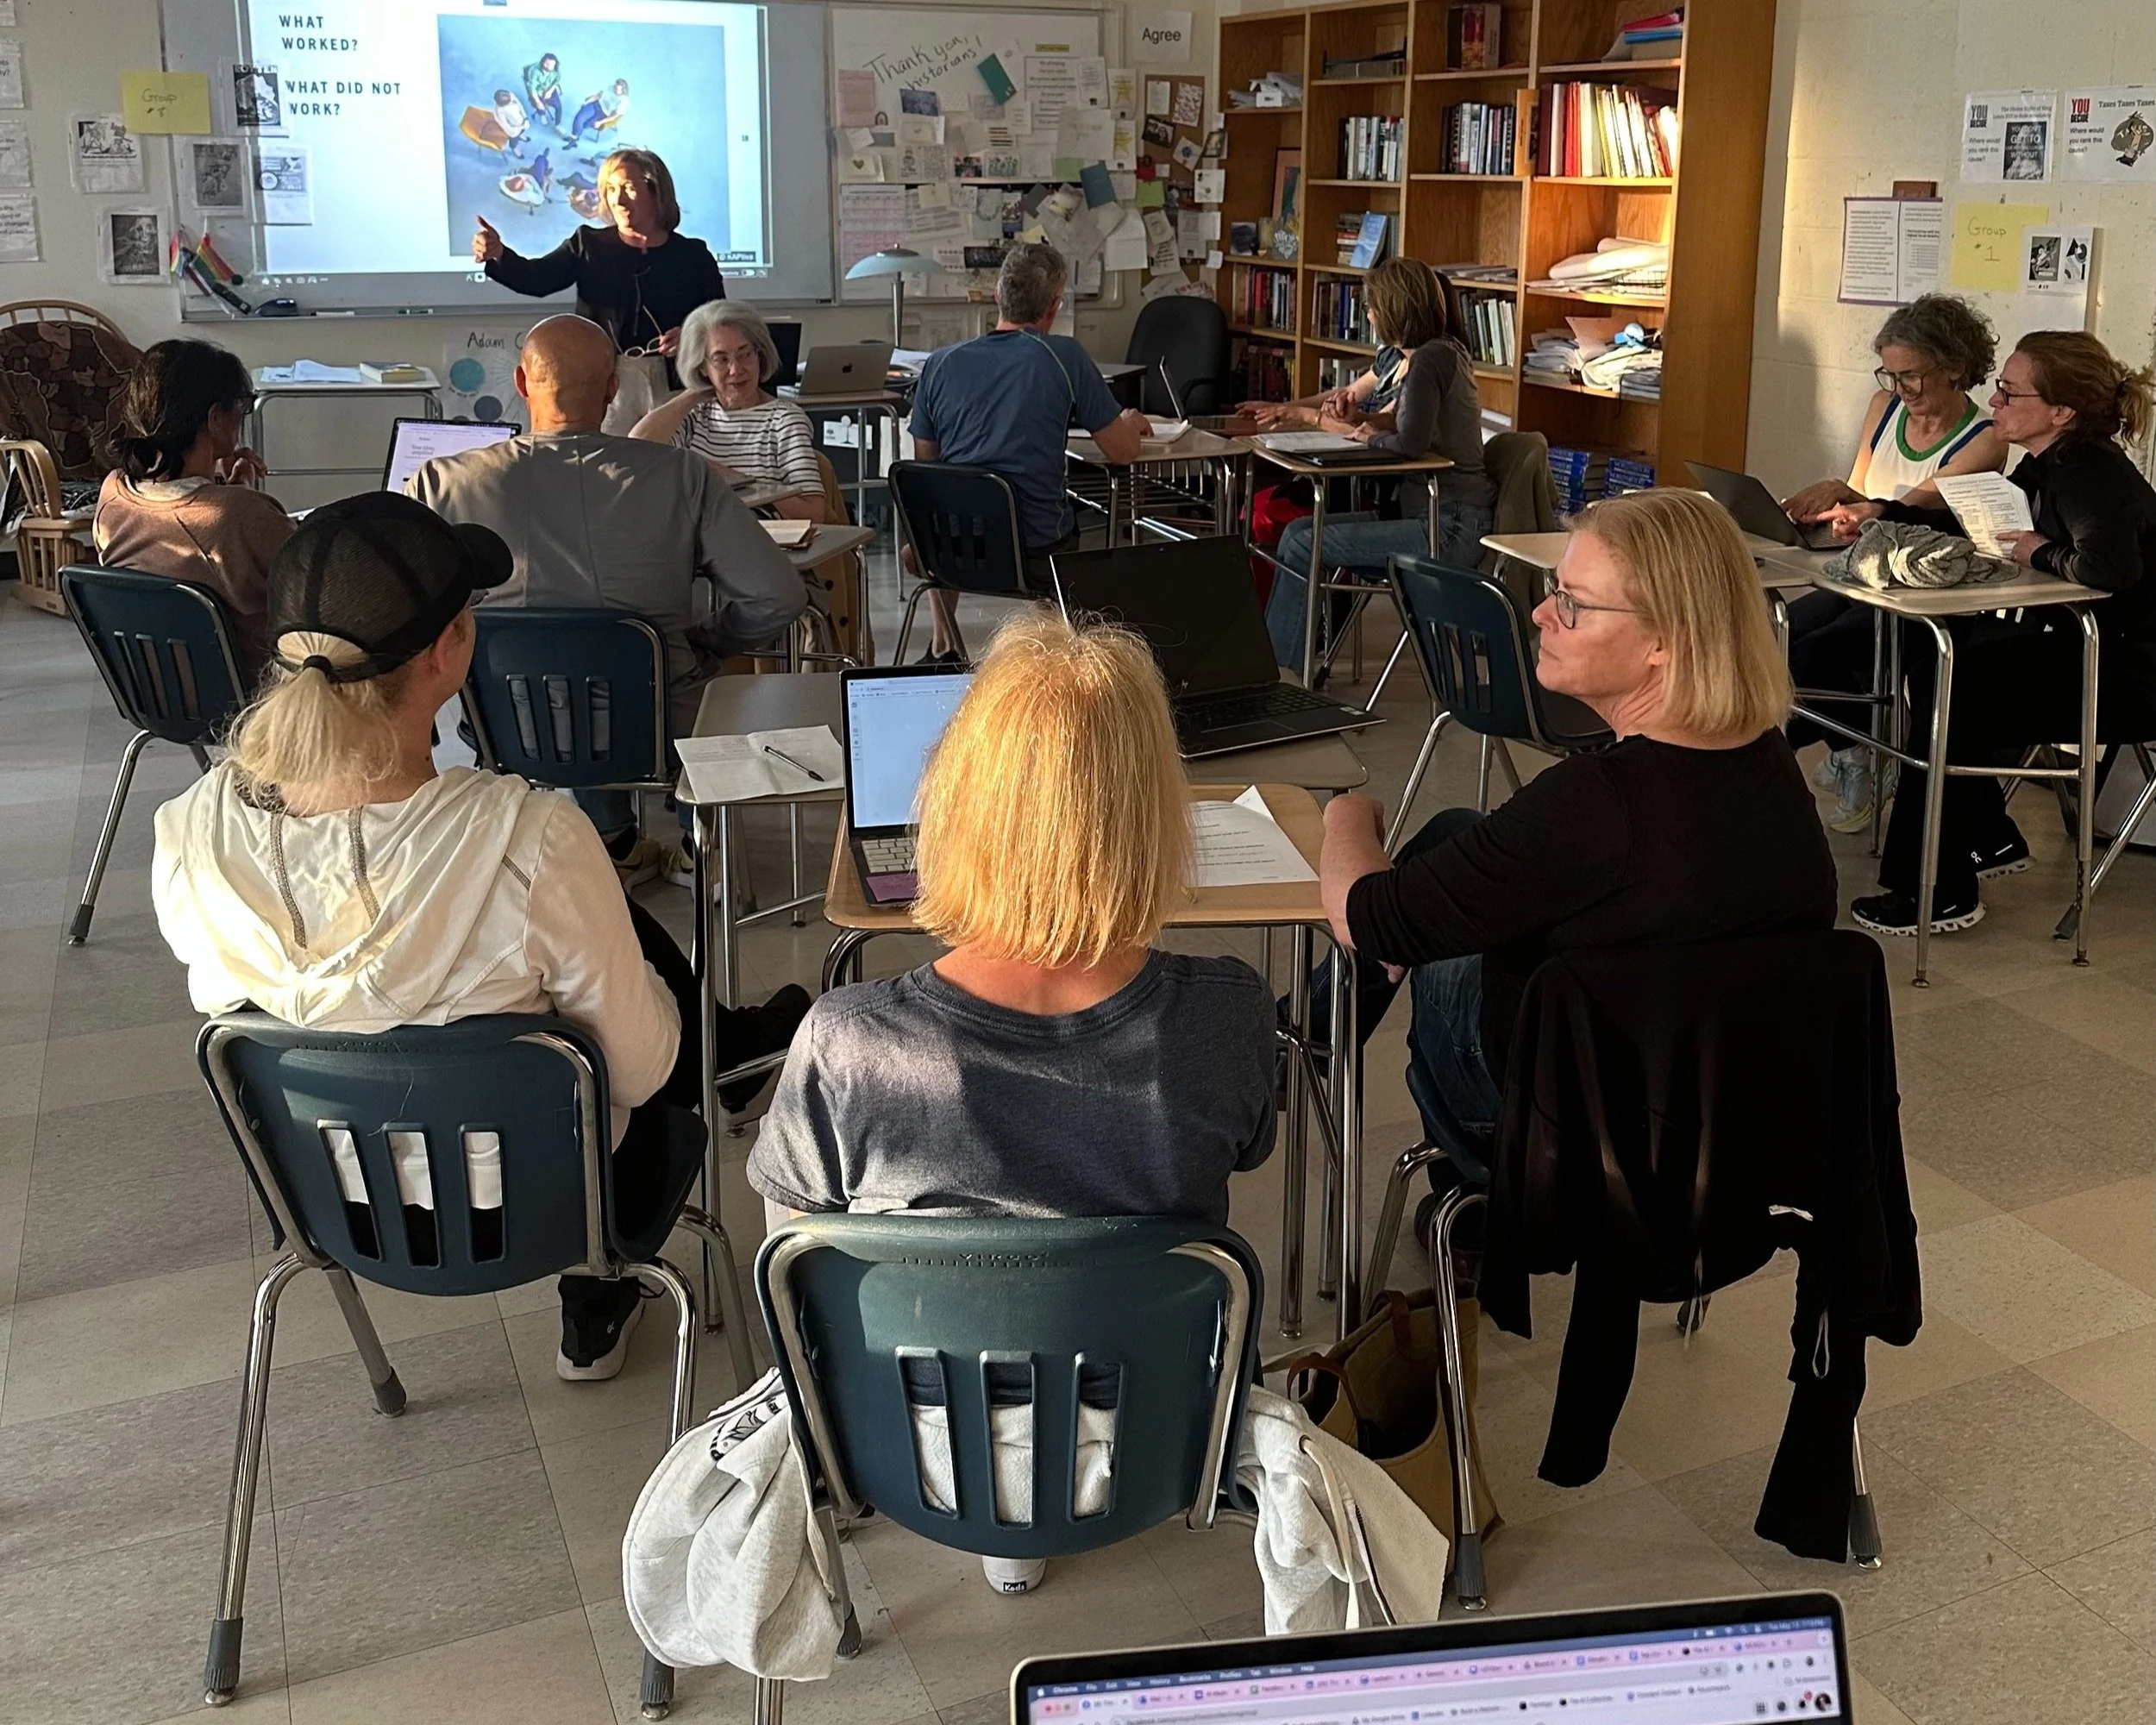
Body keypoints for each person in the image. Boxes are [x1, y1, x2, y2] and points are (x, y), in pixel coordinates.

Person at [150, 492, 809, 1381]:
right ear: (449, 651)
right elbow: (649, 1071)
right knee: (629, 1007)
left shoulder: (188, 830)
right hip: (543, 1201)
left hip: (329, 1199)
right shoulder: (527, 837)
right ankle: (599, 1285)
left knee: (615, 937)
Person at [749, 610, 1276, 1591]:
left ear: (956, 801)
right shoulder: (1227, 1011)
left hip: (908, 1436)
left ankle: (1008, 1537)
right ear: (1157, 809)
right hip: (1154, 1427)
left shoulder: (845, 1038)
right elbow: (1243, 1150)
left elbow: (795, 1266)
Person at [1316, 489, 1836, 1207]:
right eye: (1553, 590)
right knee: (1455, 831)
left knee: (1410, 926)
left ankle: (1460, 1188)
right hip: (1725, 1105)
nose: (1538, 614)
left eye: (1573, 603)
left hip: (1572, 1121)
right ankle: (1315, 1027)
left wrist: (1346, 813)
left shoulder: (1594, 806)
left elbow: (1365, 918)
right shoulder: (1767, 761)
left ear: (1666, 642)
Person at [406, 312, 805, 878]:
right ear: (615, 388)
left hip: (507, 724)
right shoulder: (682, 476)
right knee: (641, 680)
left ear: (520, 384)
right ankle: (694, 841)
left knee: (566, 679)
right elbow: (779, 597)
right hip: (657, 725)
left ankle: (614, 843)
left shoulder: (439, 483)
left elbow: (402, 617)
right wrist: (708, 642)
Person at [1823, 331, 2156, 935]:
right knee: (1938, 671)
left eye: (2008, 390)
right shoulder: (2050, 462)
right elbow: (1965, 522)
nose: (1994, 400)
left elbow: (2109, 569)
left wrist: (2040, 551)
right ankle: (1985, 842)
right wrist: (1884, 512)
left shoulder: (2089, 473)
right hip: (2091, 650)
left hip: (2134, 672)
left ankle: (1937, 891)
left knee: (1956, 688)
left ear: (2061, 411)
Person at [1780, 295, 2009, 831]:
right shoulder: (1883, 409)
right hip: (1866, 575)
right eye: (1892, 375)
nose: (1901, 390)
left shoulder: (1986, 440)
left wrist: (1854, 505)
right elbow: (1864, 495)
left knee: (1813, 655)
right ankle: (1853, 744)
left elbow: (1913, 505)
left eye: (1913, 376)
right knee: (1781, 642)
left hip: (1926, 592)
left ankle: (1851, 752)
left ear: (1955, 367)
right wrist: (1837, 500)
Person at [1249, 259, 1495, 673]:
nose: (1368, 315)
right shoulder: (1422, 356)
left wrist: (1331, 424)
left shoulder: (1430, 360)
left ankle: (1279, 675)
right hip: (1432, 515)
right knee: (1296, 531)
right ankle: (1279, 665)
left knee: (1301, 543)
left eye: (1372, 306)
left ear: (1394, 308)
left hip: (1448, 525)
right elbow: (1402, 425)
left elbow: (1408, 446)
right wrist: (1358, 424)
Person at [906, 242, 1149, 661]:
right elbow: (1122, 452)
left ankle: (944, 645)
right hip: (1036, 554)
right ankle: (1048, 655)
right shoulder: (1066, 357)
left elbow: (926, 465)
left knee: (937, 524)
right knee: (1069, 541)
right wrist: (1128, 422)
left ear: (998, 297)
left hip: (951, 552)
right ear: (1053, 307)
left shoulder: (940, 364)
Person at [93, 338, 294, 683]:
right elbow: (316, 583)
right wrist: (241, 499)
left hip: (155, 688)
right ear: (216, 417)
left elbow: (189, 527)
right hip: (252, 696)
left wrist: (229, 490)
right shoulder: (242, 515)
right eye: (239, 407)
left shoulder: (113, 494)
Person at [473, 149, 724, 374]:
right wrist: (499, 253)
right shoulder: (588, 245)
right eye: (611, 189)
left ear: (656, 191)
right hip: (603, 380)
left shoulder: (693, 255)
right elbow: (536, 279)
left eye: (628, 188)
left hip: (678, 379)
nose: (618, 200)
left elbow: (721, 320)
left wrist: (692, 335)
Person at [630, 301, 826, 523]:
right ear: (702, 366)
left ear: (759, 355)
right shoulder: (695, 417)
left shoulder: (785, 420)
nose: (736, 370)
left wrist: (736, 480)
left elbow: (814, 514)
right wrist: (693, 394)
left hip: (763, 545)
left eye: (745, 355)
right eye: (721, 359)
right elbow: (638, 444)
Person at [569, 78, 632, 145]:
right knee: (579, 118)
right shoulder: (610, 88)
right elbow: (599, 96)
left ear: (623, 91)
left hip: (604, 113)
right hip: (597, 105)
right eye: (614, 86)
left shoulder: (624, 101)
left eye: (616, 89)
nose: (614, 89)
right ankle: (574, 138)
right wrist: (587, 102)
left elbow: (613, 116)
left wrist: (600, 122)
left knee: (585, 124)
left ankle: (575, 137)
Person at [523, 53, 563, 134]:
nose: (549, 67)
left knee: (559, 107)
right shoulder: (535, 72)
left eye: (552, 65)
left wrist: (550, 91)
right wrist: (538, 102)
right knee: (539, 105)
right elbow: (532, 89)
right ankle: (542, 114)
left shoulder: (555, 71)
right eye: (547, 64)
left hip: (549, 89)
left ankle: (557, 124)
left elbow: (556, 80)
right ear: (543, 62)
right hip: (538, 92)